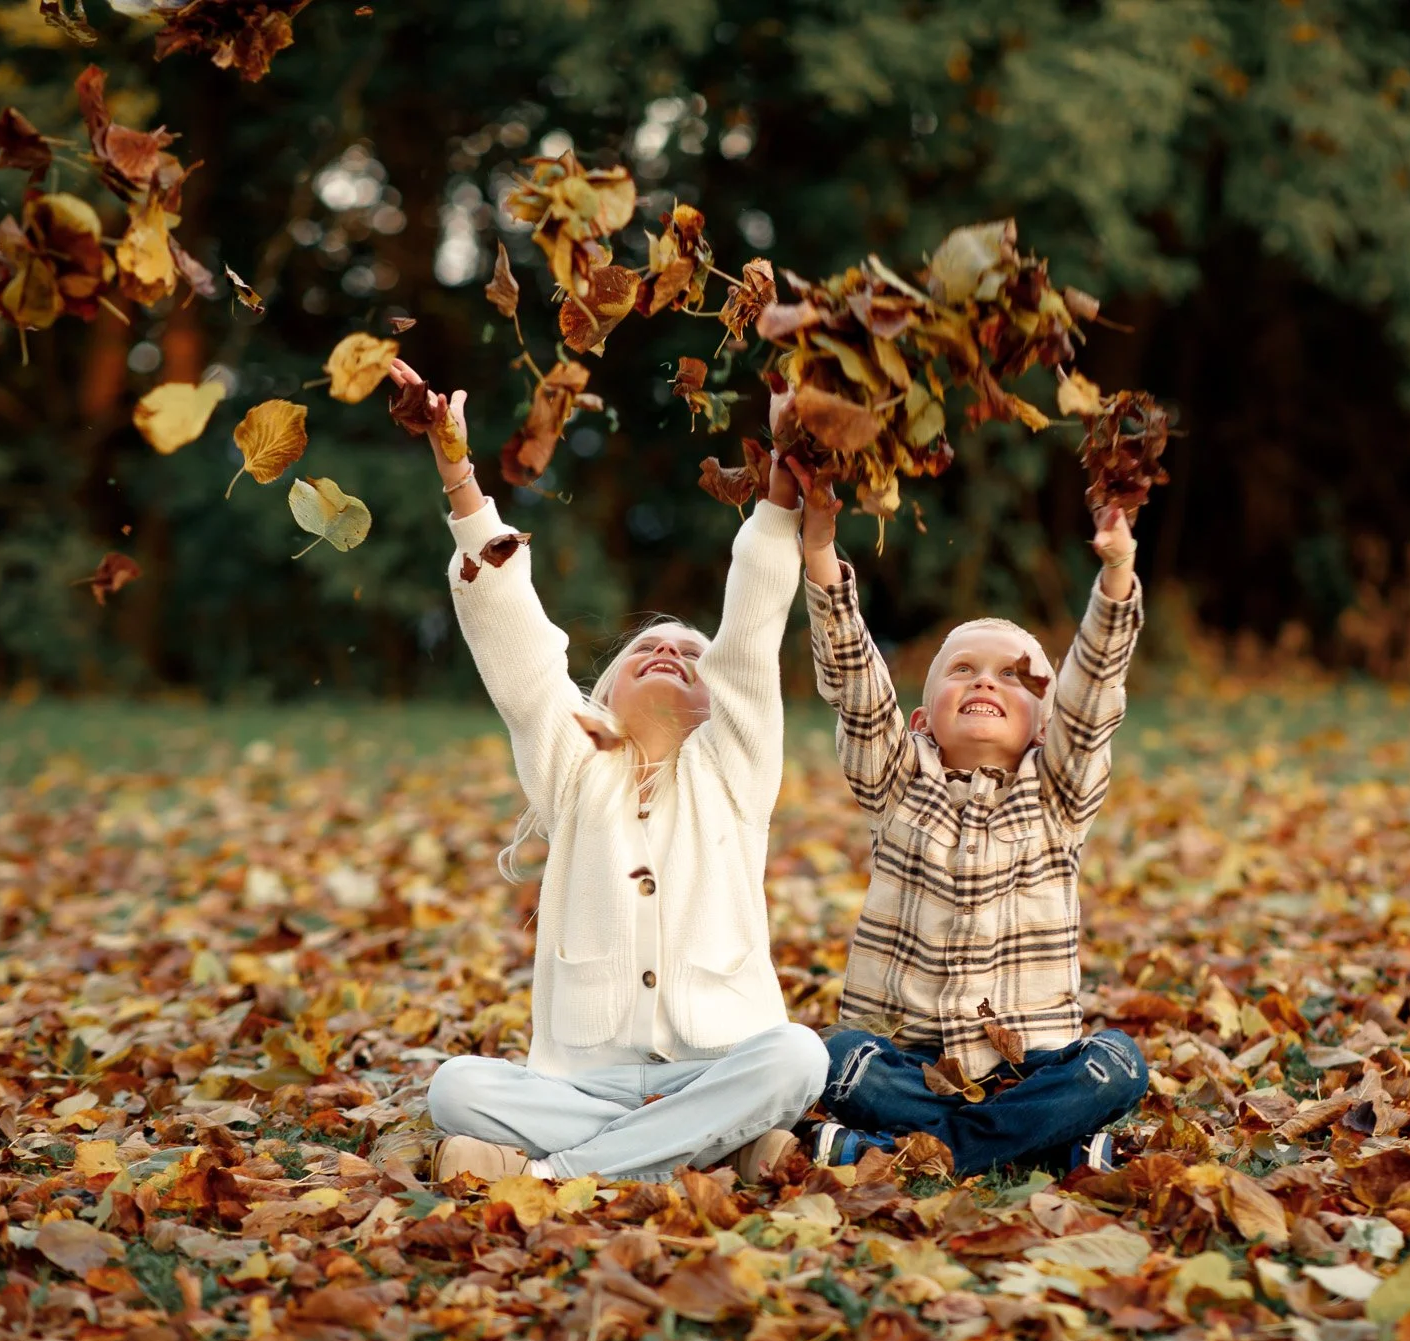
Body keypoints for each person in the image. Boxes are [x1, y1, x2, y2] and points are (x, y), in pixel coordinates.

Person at [392, 360, 828, 1186]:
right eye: (646, 651)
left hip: (718, 1063)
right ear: (605, 693)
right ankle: (705, 1153)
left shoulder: (735, 767)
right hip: (580, 1084)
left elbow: (754, 623)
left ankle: (557, 1175)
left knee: (799, 1058)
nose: (667, 651)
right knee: (456, 1086)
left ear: (718, 699)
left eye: (688, 656)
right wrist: (459, 475)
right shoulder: (573, 761)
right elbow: (513, 638)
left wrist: (778, 492)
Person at [792, 464, 1149, 1176]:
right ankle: (1043, 1148)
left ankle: (917, 1153)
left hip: (1032, 1064)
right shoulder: (898, 780)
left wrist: (1114, 578)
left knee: (1121, 1063)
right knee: (830, 1059)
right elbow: (859, 691)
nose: (986, 679)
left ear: (1046, 727)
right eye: (963, 669)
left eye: (1015, 676)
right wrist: (820, 552)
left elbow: (1093, 696)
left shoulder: (1058, 793)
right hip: (905, 1060)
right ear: (922, 719)